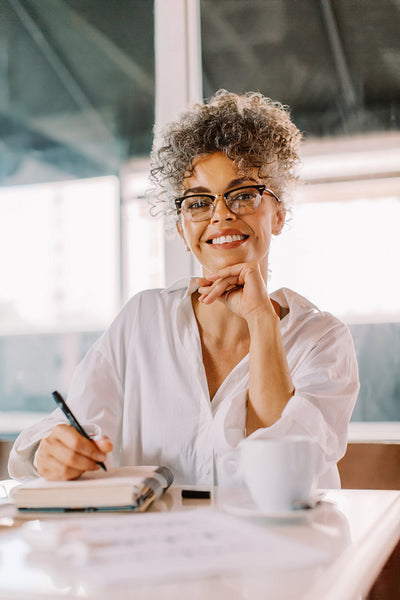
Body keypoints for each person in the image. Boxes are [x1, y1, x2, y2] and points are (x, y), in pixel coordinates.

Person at [8, 90, 359, 487]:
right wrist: (53, 453)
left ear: (278, 214)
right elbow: (62, 429)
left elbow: (288, 470)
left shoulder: (323, 339)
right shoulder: (142, 320)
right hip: (156, 548)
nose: (221, 214)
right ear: (181, 226)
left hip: (281, 548)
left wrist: (262, 320)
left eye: (243, 195)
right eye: (198, 202)